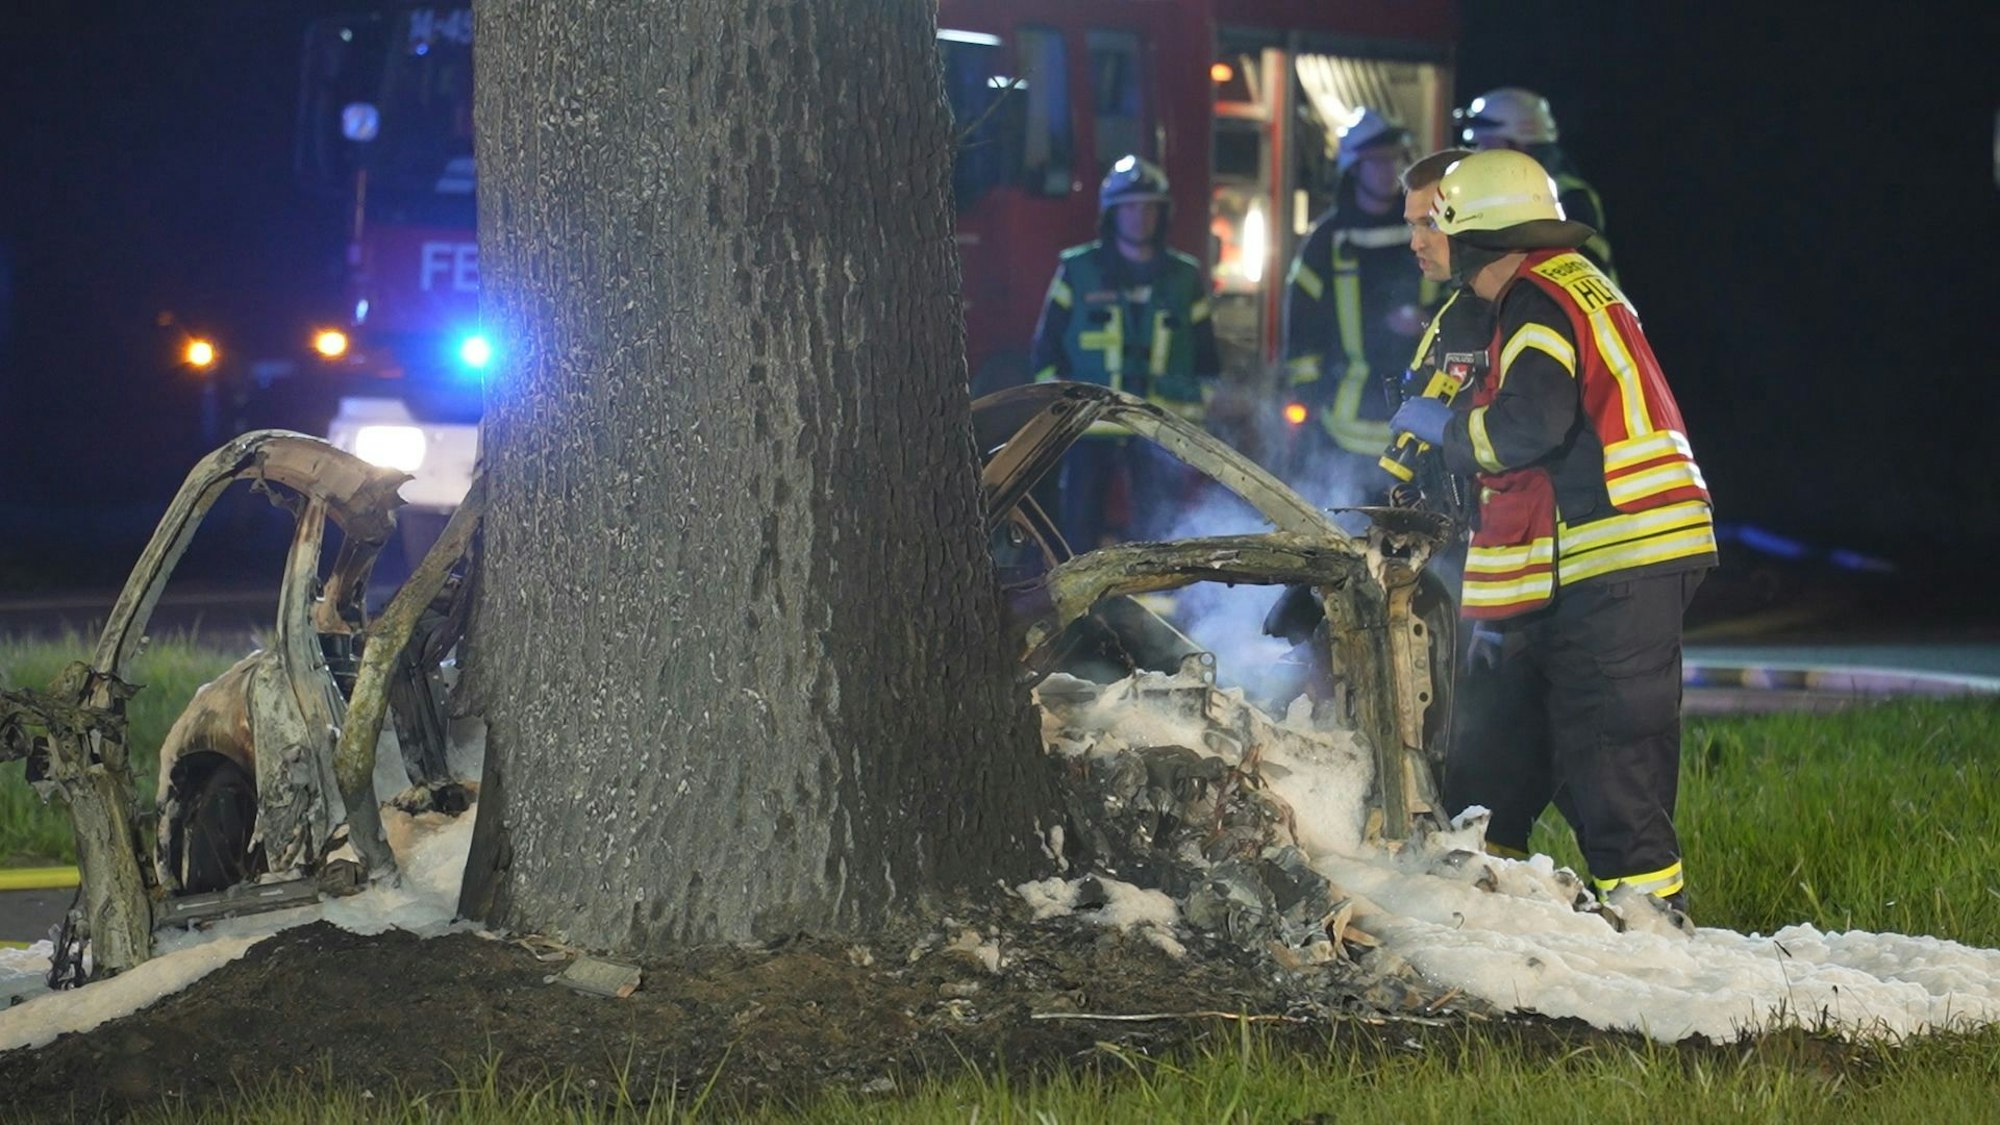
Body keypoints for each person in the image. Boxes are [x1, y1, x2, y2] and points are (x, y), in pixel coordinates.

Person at [1387, 149, 1716, 917]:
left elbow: (1527, 426)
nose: (1423, 239)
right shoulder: (1558, 284)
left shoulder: (1536, 299)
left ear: (1478, 234)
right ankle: (1490, 915)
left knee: (1610, 758)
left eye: (1438, 223)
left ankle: (1652, 940)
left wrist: (1444, 426)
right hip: (1599, 560)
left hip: (1620, 554)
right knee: (1501, 756)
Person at [1029, 155, 1220, 550]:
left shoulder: (1184, 278)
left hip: (1161, 430)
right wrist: (1060, 412)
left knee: (1159, 532)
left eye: (1149, 207)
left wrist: (1196, 410)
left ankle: (1152, 609)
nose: (1140, 216)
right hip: (1088, 427)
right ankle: (1080, 610)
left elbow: (1207, 360)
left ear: (1162, 213)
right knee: (1077, 532)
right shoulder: (1077, 271)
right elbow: (1045, 351)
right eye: (1130, 207)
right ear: (1112, 213)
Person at [1280, 109, 1432, 499]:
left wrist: (1424, 323)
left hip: (1423, 428)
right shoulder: (1326, 242)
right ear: (1353, 167)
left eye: (1396, 158)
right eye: (1378, 160)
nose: (1390, 169)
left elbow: (1458, 303)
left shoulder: (1426, 230)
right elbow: (1300, 334)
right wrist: (1310, 401)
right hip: (1342, 432)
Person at [1456, 87, 1617, 279]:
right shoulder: (1493, 198)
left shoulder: (1569, 197)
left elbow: (1583, 270)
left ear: (1518, 146)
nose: (1480, 154)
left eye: (1488, 144)